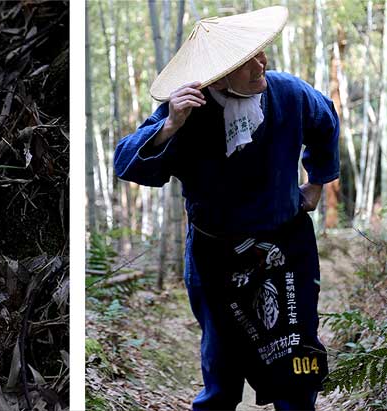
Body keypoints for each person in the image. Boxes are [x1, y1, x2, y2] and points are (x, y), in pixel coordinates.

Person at [112, 6, 339, 411]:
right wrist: (169, 127)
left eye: (259, 53)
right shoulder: (185, 113)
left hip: (285, 245)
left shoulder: (287, 92)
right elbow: (126, 162)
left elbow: (326, 124)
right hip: (215, 254)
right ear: (217, 75)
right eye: (246, 61)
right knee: (222, 356)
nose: (260, 64)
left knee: (299, 345)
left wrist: (317, 183)